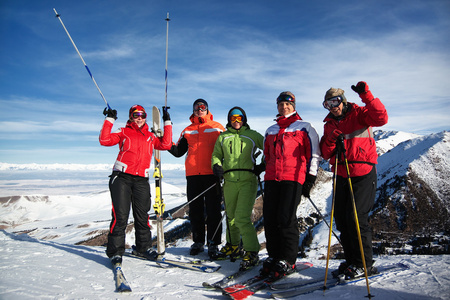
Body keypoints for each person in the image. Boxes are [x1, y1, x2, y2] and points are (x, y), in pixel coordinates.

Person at [320, 81, 388, 279]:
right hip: (341, 173)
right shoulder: (329, 124)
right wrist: (331, 139)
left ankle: (364, 264)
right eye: (327, 105)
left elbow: (381, 118)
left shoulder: (360, 114)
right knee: (342, 219)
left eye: (335, 102)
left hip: (362, 172)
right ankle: (351, 262)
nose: (333, 108)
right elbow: (325, 153)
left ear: (343, 100)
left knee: (356, 218)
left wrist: (366, 95)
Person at [100, 105, 172, 264]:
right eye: (136, 115)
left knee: (142, 216)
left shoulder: (150, 136)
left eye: (142, 115)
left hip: (141, 179)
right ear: (131, 117)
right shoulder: (123, 131)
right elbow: (104, 140)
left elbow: (166, 145)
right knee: (121, 216)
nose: (139, 118)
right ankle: (115, 252)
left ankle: (143, 248)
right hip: (122, 178)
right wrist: (110, 119)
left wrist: (167, 122)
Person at [262, 91, 321, 279]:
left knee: (286, 218)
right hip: (272, 178)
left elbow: (314, 154)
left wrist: (310, 178)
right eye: (281, 104)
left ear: (294, 106)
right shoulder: (271, 130)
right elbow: (267, 155)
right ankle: (274, 256)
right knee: (270, 218)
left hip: (292, 177)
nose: (284, 107)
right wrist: (261, 168)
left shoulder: (305, 127)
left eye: (288, 104)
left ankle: (287, 259)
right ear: (277, 106)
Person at [168, 99, 225, 258]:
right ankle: (198, 242)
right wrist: (164, 140)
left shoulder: (217, 127)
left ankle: (213, 244)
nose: (199, 109)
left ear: (207, 109)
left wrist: (223, 167)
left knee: (213, 211)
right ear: (193, 110)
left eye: (202, 107)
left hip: (212, 174)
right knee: (195, 211)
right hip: (193, 175)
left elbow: (227, 148)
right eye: (196, 107)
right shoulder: (187, 130)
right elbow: (178, 151)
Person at [211, 106, 265, 270]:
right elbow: (216, 155)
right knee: (231, 216)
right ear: (229, 120)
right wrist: (216, 165)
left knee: (241, 217)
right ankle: (233, 246)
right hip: (229, 180)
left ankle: (252, 251)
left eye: (239, 118)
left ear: (244, 119)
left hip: (248, 180)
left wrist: (262, 165)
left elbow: (269, 148)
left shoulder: (252, 135)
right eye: (233, 118)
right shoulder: (223, 137)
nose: (236, 121)